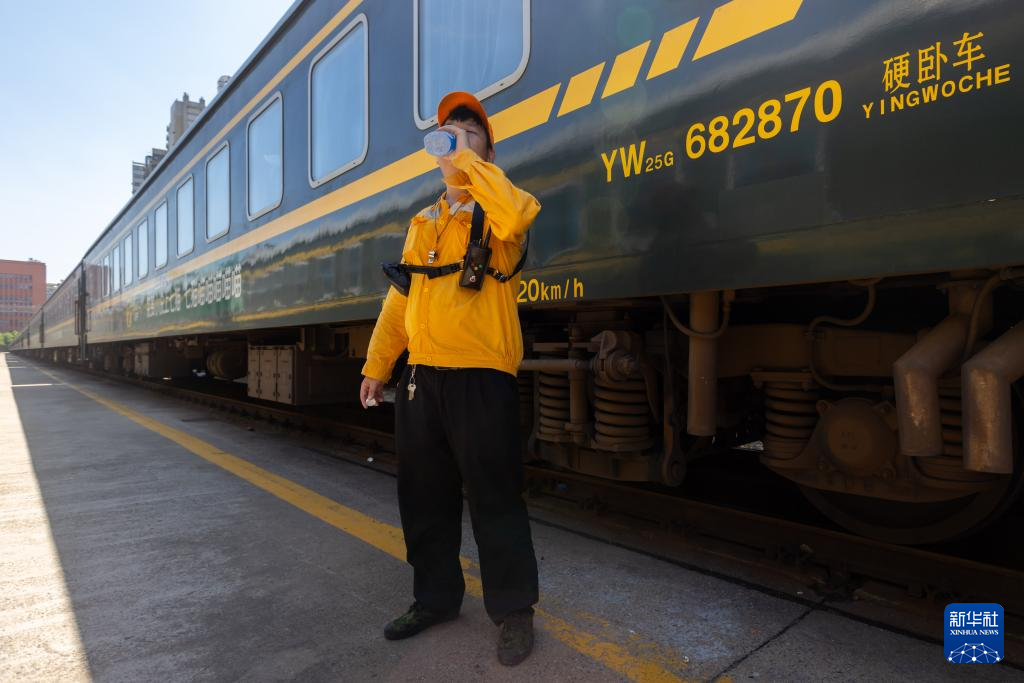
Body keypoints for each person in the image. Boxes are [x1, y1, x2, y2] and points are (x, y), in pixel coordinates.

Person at [359, 91, 541, 667]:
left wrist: (470, 166)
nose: (456, 139)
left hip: (481, 378)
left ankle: (513, 612)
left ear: (487, 149)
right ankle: (435, 599)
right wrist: (376, 366)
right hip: (421, 381)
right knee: (424, 498)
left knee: (494, 499)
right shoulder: (423, 222)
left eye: (471, 132)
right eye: (446, 134)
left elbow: (516, 214)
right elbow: (400, 300)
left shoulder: (502, 211)